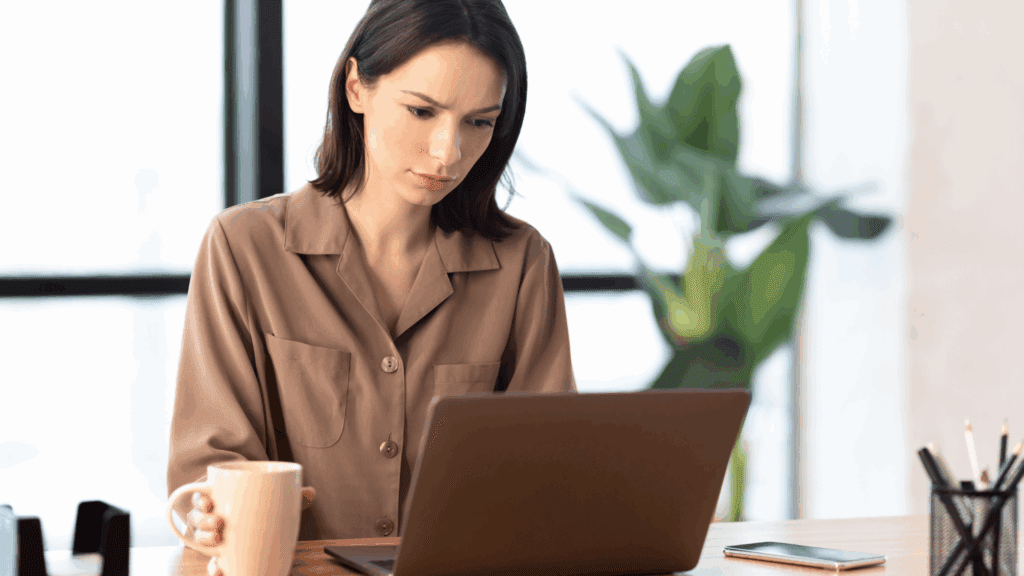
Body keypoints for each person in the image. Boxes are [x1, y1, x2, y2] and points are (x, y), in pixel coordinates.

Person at [166, 0, 576, 557]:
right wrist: (212, 514)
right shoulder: (244, 249)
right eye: (422, 111)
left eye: (479, 122)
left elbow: (549, 469)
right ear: (357, 87)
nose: (448, 152)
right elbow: (209, 469)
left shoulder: (522, 263)